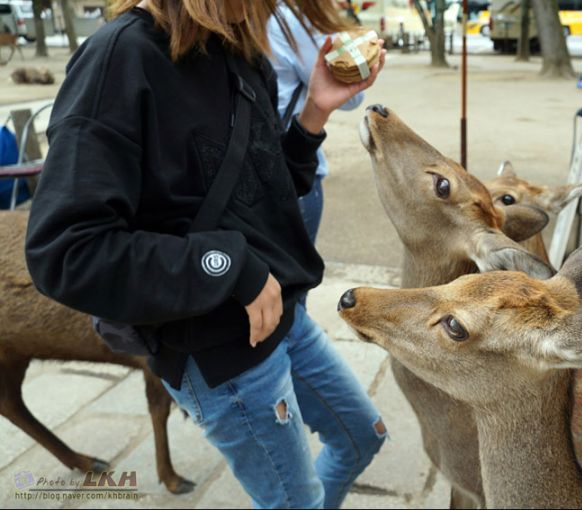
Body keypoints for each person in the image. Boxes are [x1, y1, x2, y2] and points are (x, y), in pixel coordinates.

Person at [24, 1, 388, 508]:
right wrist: (229, 266)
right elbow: (65, 251)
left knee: (360, 438)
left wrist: (314, 112)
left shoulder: (239, 51)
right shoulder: (118, 59)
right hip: (214, 348)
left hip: (285, 315)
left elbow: (268, 187)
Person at [267, 1, 364, 277]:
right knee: (291, 291)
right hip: (291, 170)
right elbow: (350, 93)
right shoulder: (294, 18)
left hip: (248, 174)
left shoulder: (240, 22)